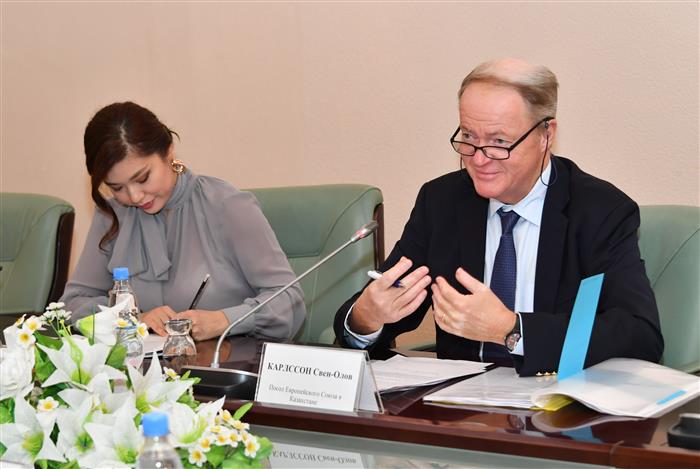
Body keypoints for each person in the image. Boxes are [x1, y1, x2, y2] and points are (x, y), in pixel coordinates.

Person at [334, 58, 663, 376]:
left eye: (499, 142)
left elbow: (640, 335)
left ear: (546, 135)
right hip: (458, 405)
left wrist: (511, 329)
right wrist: (365, 317)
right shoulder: (442, 202)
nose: (479, 159)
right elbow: (384, 302)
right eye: (468, 137)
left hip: (557, 402)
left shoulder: (599, 210)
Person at [62, 102, 306, 341]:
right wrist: (133, 318)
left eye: (143, 178)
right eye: (117, 188)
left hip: (226, 362)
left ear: (169, 152)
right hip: (143, 365)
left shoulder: (228, 205)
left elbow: (290, 301)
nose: (134, 196)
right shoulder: (113, 215)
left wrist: (224, 320)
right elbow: (72, 304)